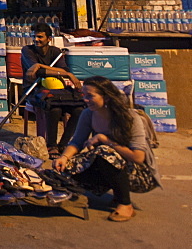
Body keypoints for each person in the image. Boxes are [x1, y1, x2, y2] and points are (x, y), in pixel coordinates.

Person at [54, 76, 161, 222]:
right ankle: (112, 190)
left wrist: (105, 139)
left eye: (90, 96)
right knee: (64, 169)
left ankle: (125, 204)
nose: (85, 100)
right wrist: (64, 158)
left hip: (139, 174)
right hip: (109, 163)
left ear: (107, 97)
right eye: (84, 95)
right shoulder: (88, 114)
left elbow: (138, 157)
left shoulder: (130, 118)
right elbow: (77, 142)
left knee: (104, 151)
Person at [21, 22, 82, 156]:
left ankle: (64, 144)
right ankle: (52, 145)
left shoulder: (55, 51)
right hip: (34, 89)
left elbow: (64, 70)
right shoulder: (27, 50)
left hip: (56, 90)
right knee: (54, 108)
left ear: (49, 39)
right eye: (35, 37)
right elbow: (39, 73)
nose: (36, 40)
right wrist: (41, 67)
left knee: (78, 110)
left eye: (40, 37)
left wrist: (67, 73)